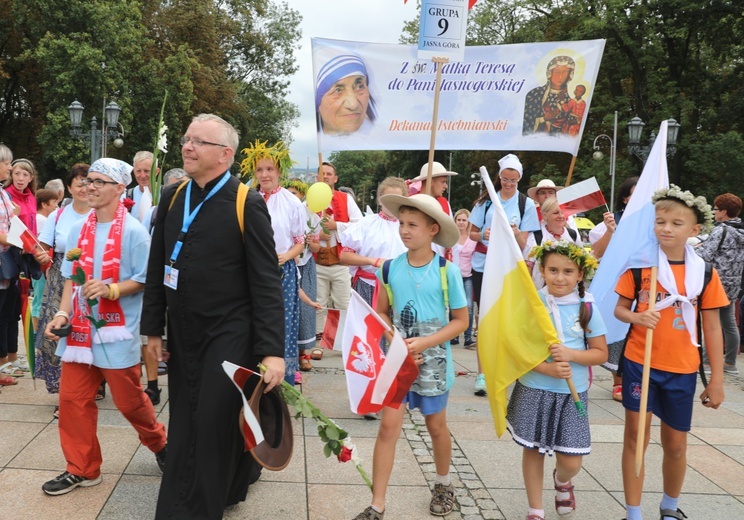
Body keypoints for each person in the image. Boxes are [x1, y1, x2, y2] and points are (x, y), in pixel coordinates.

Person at [142, 114, 285, 518]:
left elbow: (266, 283)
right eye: (187, 139)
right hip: (184, 330)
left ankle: (190, 510)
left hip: (230, 331)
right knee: (189, 414)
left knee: (210, 420)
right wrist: (153, 326)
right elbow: (157, 265)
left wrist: (272, 351)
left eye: (198, 142)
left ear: (224, 155)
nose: (187, 146)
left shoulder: (247, 203)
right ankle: (234, 481)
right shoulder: (172, 196)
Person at [41, 158, 167, 496]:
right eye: (87, 180)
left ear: (118, 188)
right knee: (72, 401)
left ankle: (159, 441)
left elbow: (145, 279)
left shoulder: (135, 232)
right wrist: (62, 315)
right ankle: (82, 469)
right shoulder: (76, 228)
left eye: (98, 181)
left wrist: (112, 289)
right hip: (80, 331)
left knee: (129, 403)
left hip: (117, 331)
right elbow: (71, 280)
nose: (89, 186)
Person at [614, 185, 728, 520]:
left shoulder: (705, 273)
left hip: (682, 367)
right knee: (636, 439)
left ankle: (669, 507)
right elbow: (621, 308)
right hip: (641, 362)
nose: (666, 228)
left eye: (677, 223)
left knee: (676, 444)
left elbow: (713, 328)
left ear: (694, 230)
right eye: (660, 221)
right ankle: (633, 513)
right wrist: (636, 316)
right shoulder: (640, 266)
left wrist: (717, 380)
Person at [353, 194, 467, 520]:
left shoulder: (447, 272)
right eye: (402, 223)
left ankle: (443, 483)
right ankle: (377, 503)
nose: (404, 230)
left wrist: (428, 341)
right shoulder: (390, 269)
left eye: (412, 225)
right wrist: (395, 340)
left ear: (433, 229)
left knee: (436, 427)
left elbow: (461, 320)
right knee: (388, 428)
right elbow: (381, 313)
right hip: (398, 361)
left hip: (434, 363)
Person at [507, 240, 607, 520]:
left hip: (572, 394)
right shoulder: (530, 304)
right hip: (534, 387)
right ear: (542, 270)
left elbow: (600, 353)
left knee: (571, 459)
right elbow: (515, 347)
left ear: (579, 275)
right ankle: (535, 510)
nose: (559, 277)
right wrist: (545, 369)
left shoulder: (586, 308)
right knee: (533, 449)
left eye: (567, 271)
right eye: (552, 270)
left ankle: (563, 481)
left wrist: (572, 354)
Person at [469, 154, 539, 395]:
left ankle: (507, 367)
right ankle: (481, 373)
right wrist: (485, 235)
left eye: (513, 180)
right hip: (485, 265)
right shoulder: (486, 202)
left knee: (509, 318)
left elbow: (524, 243)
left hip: (510, 267)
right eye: (505, 179)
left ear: (519, 179)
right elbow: (471, 234)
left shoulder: (525, 204)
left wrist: (516, 232)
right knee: (484, 316)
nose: (508, 184)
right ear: (499, 177)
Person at [241, 140, 306, 385]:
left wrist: (284, 257)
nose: (265, 174)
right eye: (260, 170)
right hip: (251, 269)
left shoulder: (292, 203)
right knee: (251, 318)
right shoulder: (247, 199)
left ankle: (283, 378)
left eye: (269, 169)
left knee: (282, 322)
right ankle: (253, 372)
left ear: (279, 172)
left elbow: (300, 242)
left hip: (282, 270)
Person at [36, 164, 92, 413]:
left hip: (89, 278)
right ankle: (64, 392)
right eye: (78, 183)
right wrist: (39, 255)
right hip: (60, 279)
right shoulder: (59, 215)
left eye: (87, 182)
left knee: (87, 332)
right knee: (57, 332)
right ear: (68, 188)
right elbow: (42, 244)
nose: (83, 188)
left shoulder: (98, 213)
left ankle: (90, 385)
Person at [589, 176, 638, 401]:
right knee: (619, 332)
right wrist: (610, 231)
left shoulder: (656, 223)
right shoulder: (611, 221)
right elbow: (596, 253)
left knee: (637, 332)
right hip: (619, 287)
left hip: (645, 285)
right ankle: (618, 381)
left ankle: (636, 378)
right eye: (635, 194)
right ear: (626, 198)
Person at [339, 176, 408, 308]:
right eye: (387, 199)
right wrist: (373, 261)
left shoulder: (408, 227)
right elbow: (344, 256)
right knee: (365, 327)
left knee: (393, 327)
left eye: (396, 200)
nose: (391, 203)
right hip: (367, 286)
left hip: (399, 289)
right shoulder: (366, 224)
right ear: (379, 200)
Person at [695, 193, 744, 374]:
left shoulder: (721, 230)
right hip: (733, 285)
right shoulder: (741, 231)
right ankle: (730, 363)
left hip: (715, 283)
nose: (714, 212)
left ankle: (707, 363)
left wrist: (689, 250)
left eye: (716, 209)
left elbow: (705, 256)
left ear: (723, 212)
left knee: (710, 322)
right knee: (730, 324)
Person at [314, 161, 363, 342]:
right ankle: (319, 340)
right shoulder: (309, 201)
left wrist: (337, 226)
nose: (325, 176)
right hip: (318, 261)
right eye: (322, 173)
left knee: (343, 302)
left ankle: (343, 340)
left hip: (341, 261)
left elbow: (359, 224)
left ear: (335, 178)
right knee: (319, 303)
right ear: (317, 177)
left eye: (329, 173)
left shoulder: (345, 199)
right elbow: (300, 229)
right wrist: (318, 236)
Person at [284, 178, 322, 372]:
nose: (292, 197)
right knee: (288, 312)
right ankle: (286, 357)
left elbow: (316, 247)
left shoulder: (312, 217)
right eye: (288, 193)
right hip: (286, 264)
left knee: (305, 310)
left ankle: (304, 355)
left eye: (295, 194)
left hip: (305, 266)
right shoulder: (281, 213)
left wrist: (309, 241)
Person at [523, 197, 583, 289]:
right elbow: (527, 269)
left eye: (562, 212)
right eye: (556, 213)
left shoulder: (573, 235)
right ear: (545, 215)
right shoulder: (535, 237)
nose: (561, 216)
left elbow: (581, 263)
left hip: (567, 292)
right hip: (541, 294)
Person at [315, 50, 377, 136]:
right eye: (338, 90)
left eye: (360, 86)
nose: (353, 104)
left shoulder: (379, 137)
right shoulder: (317, 142)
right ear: (317, 103)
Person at [522, 55, 576, 135]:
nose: (560, 77)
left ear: (570, 75)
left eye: (565, 72)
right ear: (550, 73)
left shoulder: (571, 99)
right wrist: (544, 119)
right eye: (557, 72)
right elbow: (525, 123)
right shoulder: (535, 94)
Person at [31, 189, 59, 333]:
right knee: (39, 300)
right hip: (42, 266)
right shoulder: (42, 219)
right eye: (54, 202)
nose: (56, 205)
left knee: (38, 299)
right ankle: (36, 333)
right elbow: (42, 246)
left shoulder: (36, 218)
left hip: (39, 266)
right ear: (44, 203)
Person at [451, 208, 476, 347]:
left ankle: (467, 337)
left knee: (469, 306)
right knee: (454, 305)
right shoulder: (452, 237)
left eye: (463, 220)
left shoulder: (472, 238)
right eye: (458, 220)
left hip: (468, 275)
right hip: (454, 275)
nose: (461, 223)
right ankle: (453, 335)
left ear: (468, 222)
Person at [126, 151, 157, 223]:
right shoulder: (126, 196)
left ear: (156, 172)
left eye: (146, 171)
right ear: (134, 172)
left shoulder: (165, 194)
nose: (142, 176)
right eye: (138, 171)